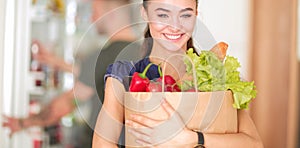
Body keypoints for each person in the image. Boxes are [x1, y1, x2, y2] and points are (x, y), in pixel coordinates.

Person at [92, 0, 263, 147]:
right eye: (163, 15)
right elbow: (102, 143)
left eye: (185, 15)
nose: (175, 26)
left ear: (196, 15)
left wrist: (192, 139)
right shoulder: (125, 75)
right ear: (145, 13)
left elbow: (254, 144)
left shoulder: (211, 73)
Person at [3, 0, 145, 147]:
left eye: (95, 12)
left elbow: (65, 104)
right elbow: (95, 75)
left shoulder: (103, 56)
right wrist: (56, 62)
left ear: (111, 14)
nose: (92, 19)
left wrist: (22, 123)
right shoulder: (141, 53)